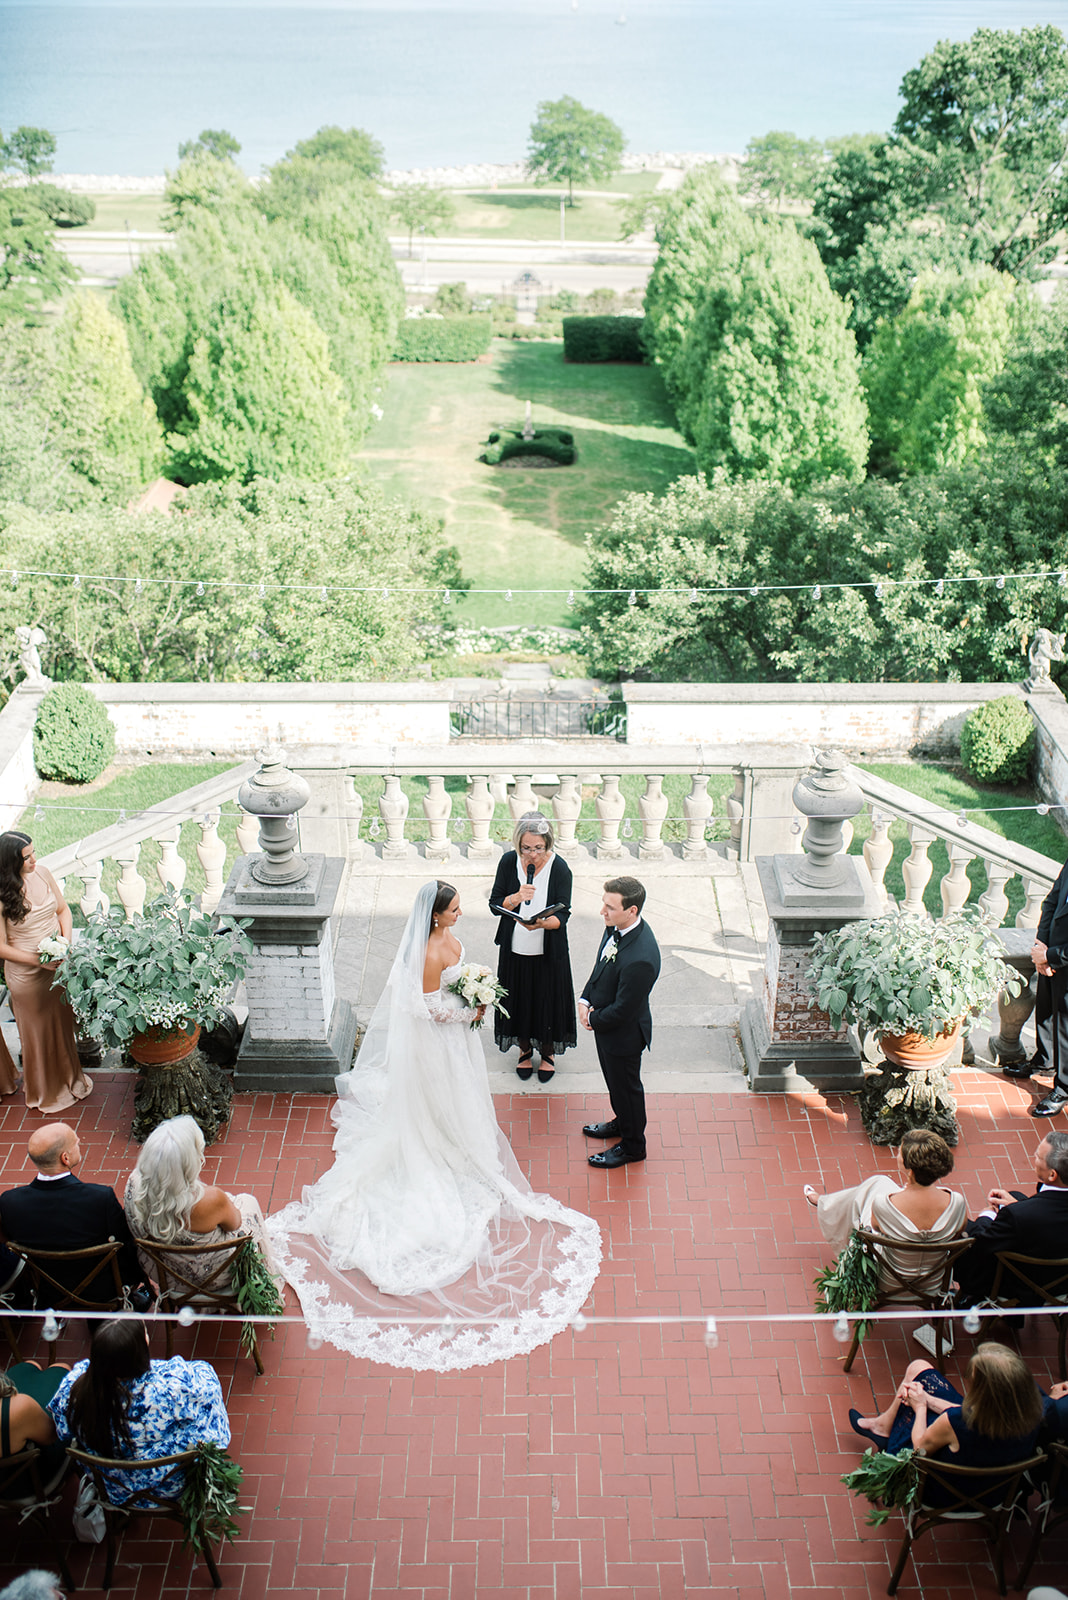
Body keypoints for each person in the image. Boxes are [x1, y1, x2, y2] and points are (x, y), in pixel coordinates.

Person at [267, 880, 601, 1371]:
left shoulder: (448, 939)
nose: (463, 913)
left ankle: (462, 1139)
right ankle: (446, 1145)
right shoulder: (425, 954)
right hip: (440, 1040)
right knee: (443, 1103)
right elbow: (425, 1007)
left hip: (457, 1038)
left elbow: (453, 984)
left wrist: (476, 997)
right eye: (456, 908)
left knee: (463, 1098)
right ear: (437, 916)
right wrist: (472, 1007)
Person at [49, 1318, 230, 1502]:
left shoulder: (73, 1389)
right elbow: (208, 1381)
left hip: (111, 1486)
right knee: (205, 1412)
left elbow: (63, 1430)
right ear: (141, 1348)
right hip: (168, 1487)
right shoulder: (170, 1388)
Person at [848, 1342, 1044, 1506]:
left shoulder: (957, 1423)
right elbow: (969, 1411)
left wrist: (921, 1408)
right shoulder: (1032, 1415)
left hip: (946, 1494)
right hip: (995, 1495)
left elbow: (919, 1450)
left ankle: (885, 1434)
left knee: (912, 1397)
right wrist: (925, 1398)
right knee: (919, 1369)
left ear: (984, 1394)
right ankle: (883, 1426)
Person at [124, 1114, 281, 1288]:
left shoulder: (133, 1183)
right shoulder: (211, 1200)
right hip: (210, 1277)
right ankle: (264, 1282)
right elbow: (235, 1224)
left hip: (163, 1271)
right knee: (247, 1202)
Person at [0, 1124, 145, 1304]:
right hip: (104, 1289)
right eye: (76, 1143)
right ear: (65, 1158)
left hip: (48, 1291)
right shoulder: (100, 1198)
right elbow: (125, 1242)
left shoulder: (10, 1202)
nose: (79, 1143)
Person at [0, 831, 90, 1115]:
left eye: (33, 853)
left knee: (62, 1029)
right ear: (11, 862)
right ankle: (45, 1092)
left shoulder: (44, 873)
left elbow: (63, 911)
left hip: (56, 969)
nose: (34, 860)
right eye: (27, 858)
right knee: (38, 1035)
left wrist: (65, 945)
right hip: (27, 977)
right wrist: (37, 961)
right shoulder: (2, 894)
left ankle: (71, 1080)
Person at [806, 1129, 967, 1285]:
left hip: (889, 1281)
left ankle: (826, 1205)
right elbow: (959, 1231)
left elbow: (875, 1227)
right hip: (932, 1283)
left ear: (910, 1171)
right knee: (880, 1182)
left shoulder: (885, 1204)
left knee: (869, 1196)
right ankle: (827, 1203)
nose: (897, 1154)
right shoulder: (957, 1203)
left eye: (899, 1152)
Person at [579, 876, 661, 1169]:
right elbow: (600, 967)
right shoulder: (615, 927)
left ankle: (633, 1145)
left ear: (632, 910)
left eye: (610, 907)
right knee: (616, 1086)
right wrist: (585, 1000)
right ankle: (621, 1122)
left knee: (627, 1089)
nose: (603, 911)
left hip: (623, 1035)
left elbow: (623, 1011)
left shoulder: (642, 958)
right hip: (606, 1026)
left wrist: (592, 1019)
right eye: (604, 903)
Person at [488, 812, 576, 1084]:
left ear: (548, 844)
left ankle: (547, 1053)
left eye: (539, 848)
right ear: (518, 844)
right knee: (519, 999)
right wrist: (515, 898)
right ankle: (524, 1049)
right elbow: (495, 904)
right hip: (515, 949)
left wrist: (543, 924)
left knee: (546, 1000)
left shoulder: (560, 868)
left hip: (548, 951)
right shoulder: (507, 862)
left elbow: (564, 913)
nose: (532, 855)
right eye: (526, 848)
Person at [955, 1132, 1068, 1306]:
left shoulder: (1016, 1216)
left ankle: (975, 1297)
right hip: (1061, 1284)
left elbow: (982, 1243)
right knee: (1016, 1195)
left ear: (1052, 1175)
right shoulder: (1020, 1214)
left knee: (963, 1229)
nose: (1034, 1158)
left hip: (1022, 1284)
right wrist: (1018, 1204)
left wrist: (987, 1215)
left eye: (1038, 1156)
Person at [1004, 857, 1068, 1116]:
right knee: (1045, 1012)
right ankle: (1045, 1061)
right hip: (1050, 958)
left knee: (1066, 1026)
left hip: (1061, 959)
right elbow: (1052, 901)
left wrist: (1051, 956)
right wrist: (1041, 946)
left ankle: (1064, 1089)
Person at [0, 1360, 70, 1496]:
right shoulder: (20, 1408)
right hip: (28, 1484)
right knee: (62, 1369)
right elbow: (51, 1436)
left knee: (30, 1365)